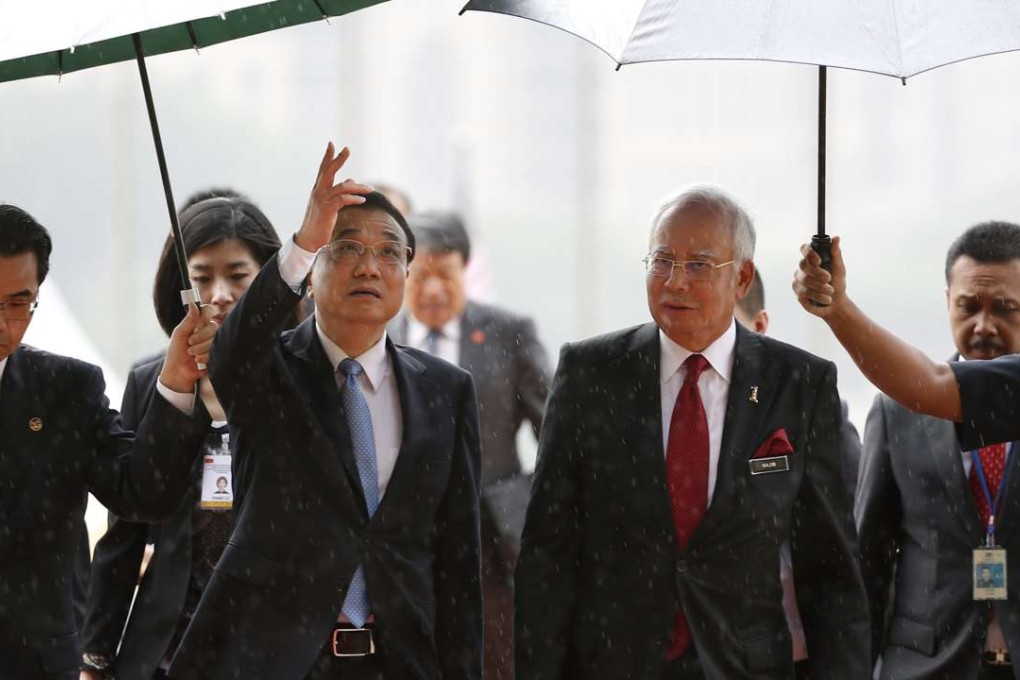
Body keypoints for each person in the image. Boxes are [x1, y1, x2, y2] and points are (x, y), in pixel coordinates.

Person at [516, 184, 869, 679]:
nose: (674, 282)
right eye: (661, 261)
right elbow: (547, 555)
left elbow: (829, 571)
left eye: (699, 265)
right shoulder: (591, 373)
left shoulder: (798, 384)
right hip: (614, 660)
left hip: (743, 663)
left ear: (742, 278)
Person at [166, 144, 483, 679]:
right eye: (346, 248)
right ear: (311, 274)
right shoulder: (266, 371)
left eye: (388, 252)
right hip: (280, 659)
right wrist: (305, 239)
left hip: (401, 660)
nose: (368, 265)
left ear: (406, 272)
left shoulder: (446, 391)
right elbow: (228, 351)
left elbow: (458, 559)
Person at [80, 194, 290, 680]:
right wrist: (95, 657)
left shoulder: (299, 378)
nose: (219, 293)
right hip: (167, 643)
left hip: (273, 638)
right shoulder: (151, 380)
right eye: (201, 278)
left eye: (238, 276)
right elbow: (124, 531)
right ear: (180, 284)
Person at [0, 203, 214, 680]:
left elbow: (143, 493)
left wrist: (176, 383)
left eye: (19, 303)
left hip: (33, 660)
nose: (3, 324)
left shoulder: (64, 388)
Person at [851, 221, 1020, 679]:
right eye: (968, 306)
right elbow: (868, 557)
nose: (984, 325)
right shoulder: (898, 409)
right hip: (927, 665)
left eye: (1005, 308)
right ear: (947, 300)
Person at [389, 211, 550, 680]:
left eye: (447, 274)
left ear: (466, 270)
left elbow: (558, 435)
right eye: (422, 275)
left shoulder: (508, 332)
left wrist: (537, 508)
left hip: (492, 538)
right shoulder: (381, 337)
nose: (434, 290)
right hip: (406, 538)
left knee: (495, 659)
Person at [733, 266, 863, 678]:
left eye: (725, 332)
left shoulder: (810, 408)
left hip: (789, 655)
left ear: (760, 326)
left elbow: (846, 547)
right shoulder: (660, 413)